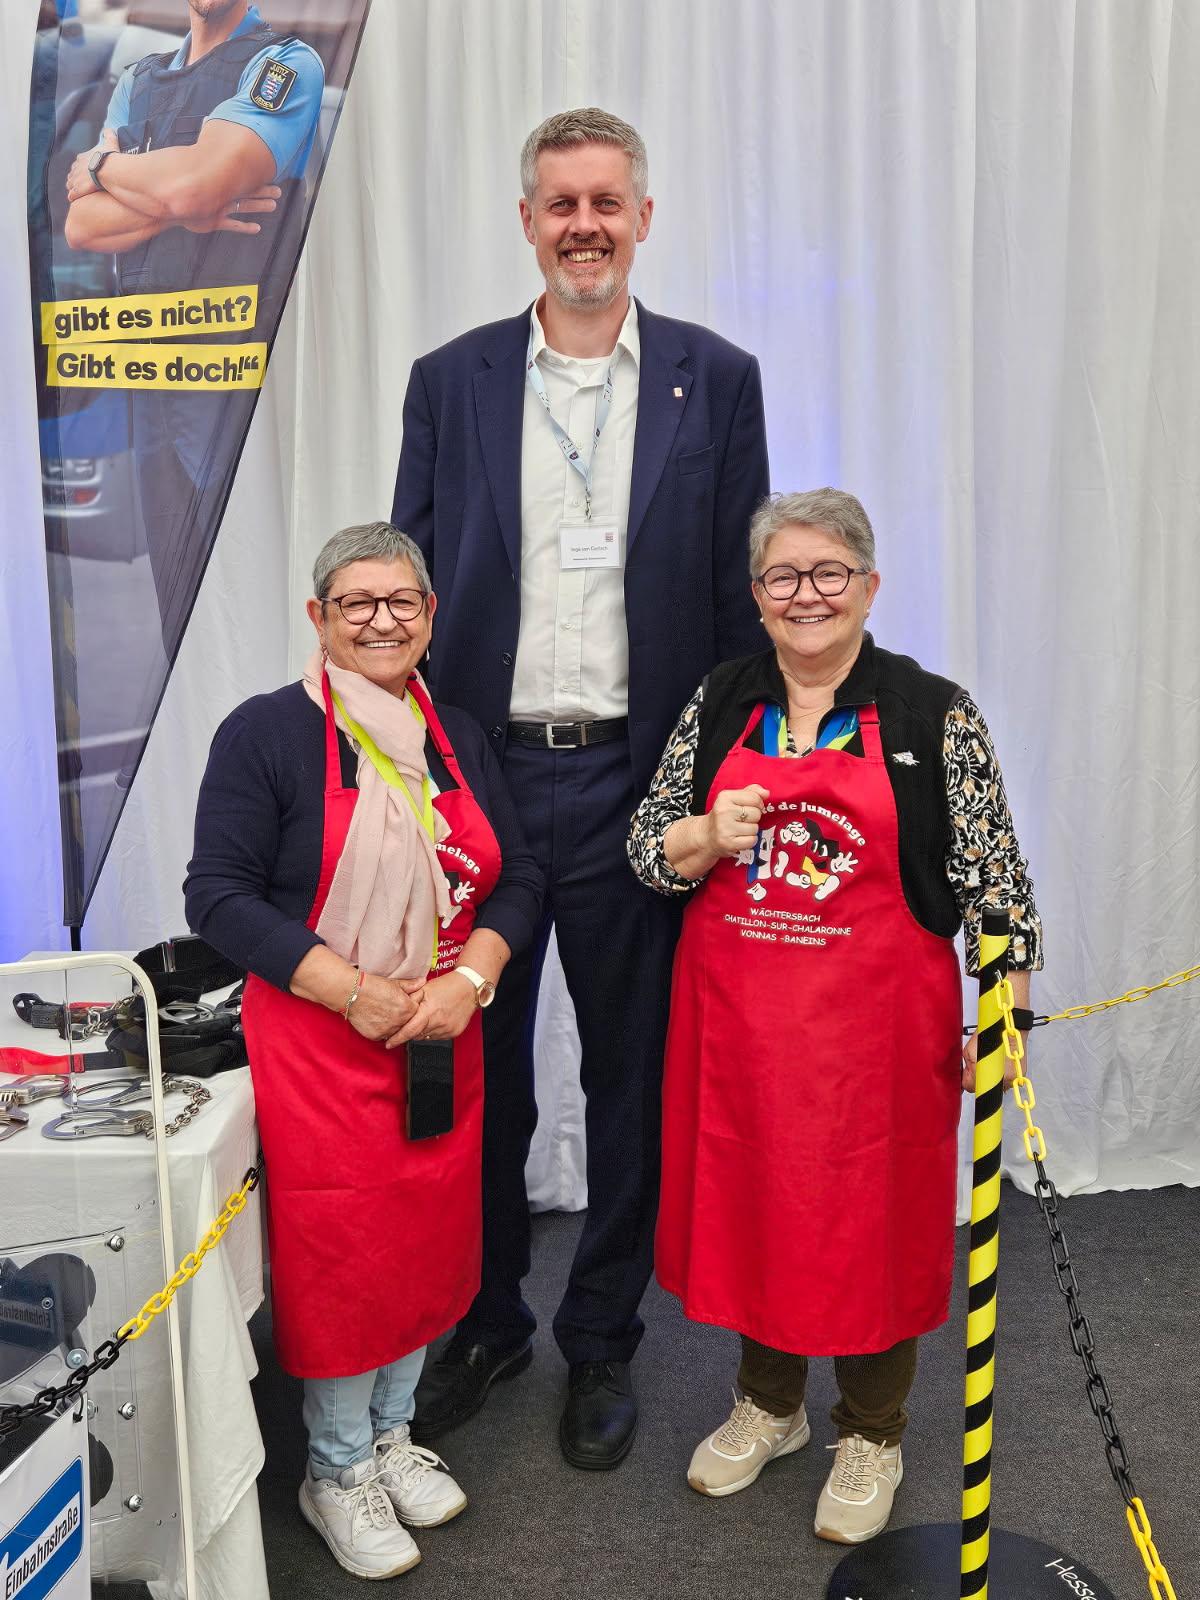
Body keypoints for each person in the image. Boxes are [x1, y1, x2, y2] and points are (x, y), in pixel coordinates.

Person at [391, 107, 770, 1469]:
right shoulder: (452, 381)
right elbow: (410, 590)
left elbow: (736, 605)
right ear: (527, 221)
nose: (585, 226)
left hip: (637, 779)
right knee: (480, 1073)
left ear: (644, 218)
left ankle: (602, 1334)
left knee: (629, 1073)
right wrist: (412, 777)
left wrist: (708, 793)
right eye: (562, 204)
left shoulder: (717, 380)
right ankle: (486, 1316)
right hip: (487, 779)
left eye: (607, 202)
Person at [627, 487, 1042, 1544]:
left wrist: (1007, 1016)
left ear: (868, 586)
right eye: (783, 575)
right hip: (741, 1028)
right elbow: (646, 852)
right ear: (757, 593)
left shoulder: (931, 712)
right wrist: (703, 835)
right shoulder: (722, 699)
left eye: (828, 573)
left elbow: (996, 884)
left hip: (877, 1033)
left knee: (871, 1223)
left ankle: (872, 1431)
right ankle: (769, 1407)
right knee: (754, 1205)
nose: (805, 594)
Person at [184, 522, 542, 1579]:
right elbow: (217, 895)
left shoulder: (455, 734)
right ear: (319, 617)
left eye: (402, 601)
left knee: (427, 1244)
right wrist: (352, 990)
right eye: (357, 602)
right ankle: (335, 1467)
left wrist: (470, 982)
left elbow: (519, 875)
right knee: (349, 1257)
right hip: (322, 1039)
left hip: (441, 1032)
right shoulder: (266, 733)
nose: (382, 619)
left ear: (429, 617)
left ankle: (390, 1435)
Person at [63, 0, 325, 656]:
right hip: (155, 383)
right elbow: (82, 225)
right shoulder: (139, 80)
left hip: (237, 390)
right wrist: (181, 207)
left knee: (252, 607)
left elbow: (198, 186)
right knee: (176, 621)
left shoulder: (284, 65)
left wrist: (103, 169)